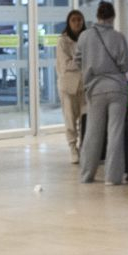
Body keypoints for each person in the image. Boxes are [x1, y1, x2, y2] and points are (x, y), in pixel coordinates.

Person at [75, 1, 128, 185]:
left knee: (92, 132)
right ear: (112, 17)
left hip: (95, 89)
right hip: (117, 88)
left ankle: (86, 175)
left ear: (97, 16)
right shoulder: (118, 37)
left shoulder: (84, 36)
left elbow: (77, 60)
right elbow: (124, 64)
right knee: (115, 133)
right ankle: (112, 178)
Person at [56, 9, 86, 163]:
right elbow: (66, 64)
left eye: (79, 20)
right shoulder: (62, 41)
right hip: (68, 86)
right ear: (68, 22)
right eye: (73, 20)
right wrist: (82, 61)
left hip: (85, 85)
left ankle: (84, 148)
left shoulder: (87, 38)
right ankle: (73, 147)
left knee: (85, 119)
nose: (77, 23)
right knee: (70, 119)